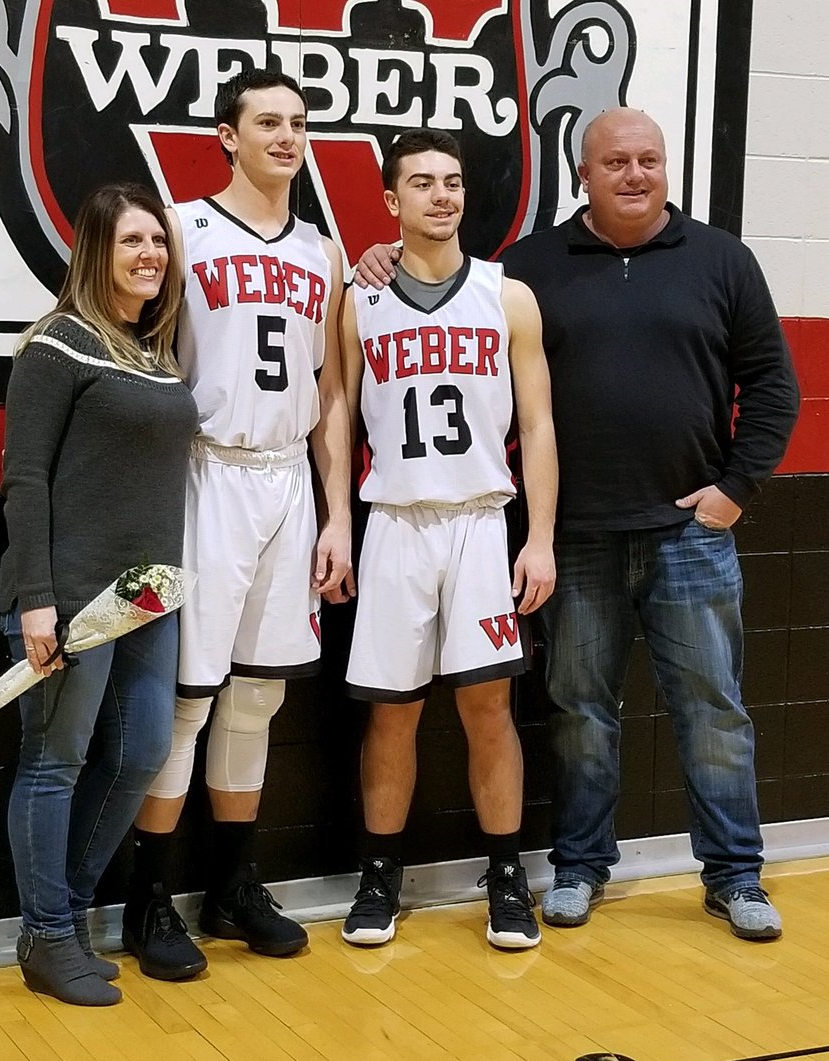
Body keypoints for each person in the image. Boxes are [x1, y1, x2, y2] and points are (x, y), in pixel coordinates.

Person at [360, 107, 800, 941]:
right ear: (583, 175)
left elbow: (775, 385)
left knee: (714, 711)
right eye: (617, 162)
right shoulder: (529, 269)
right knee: (579, 711)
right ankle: (580, 868)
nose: (636, 174)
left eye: (650, 159)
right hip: (576, 540)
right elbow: (442, 301)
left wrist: (734, 490)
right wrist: (378, 259)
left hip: (690, 535)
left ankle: (736, 876)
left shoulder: (722, 259)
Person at [121, 68, 351, 980]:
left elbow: (333, 391)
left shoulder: (326, 252)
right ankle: (148, 901)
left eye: (298, 123)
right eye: (268, 122)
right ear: (227, 134)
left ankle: (230, 886)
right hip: (204, 473)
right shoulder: (179, 227)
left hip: (289, 477)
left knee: (257, 695)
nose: (287, 137)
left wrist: (338, 516)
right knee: (186, 700)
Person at [340, 129, 557, 951]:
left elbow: (536, 425)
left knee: (488, 708)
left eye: (454, 182)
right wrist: (338, 519)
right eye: (422, 183)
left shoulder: (508, 296)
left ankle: (506, 877)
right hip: (395, 524)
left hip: (478, 523)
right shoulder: (357, 297)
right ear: (392, 201)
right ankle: (379, 876)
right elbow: (336, 415)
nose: (442, 195)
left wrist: (536, 537)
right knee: (392, 716)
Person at [0, 183, 198, 1005]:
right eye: (131, 243)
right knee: (54, 765)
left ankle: (68, 916)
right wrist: (37, 599)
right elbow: (24, 478)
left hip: (145, 597)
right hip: (70, 599)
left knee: (143, 753)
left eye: (157, 240)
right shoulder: (57, 345)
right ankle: (47, 936)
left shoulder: (152, 353)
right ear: (96, 254)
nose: (150, 254)